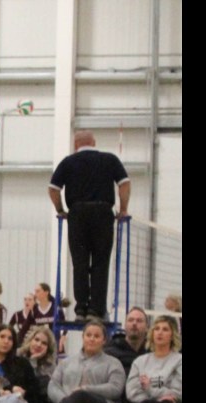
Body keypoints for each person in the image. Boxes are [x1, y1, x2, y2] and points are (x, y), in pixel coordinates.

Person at [48, 130, 130, 320]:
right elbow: (124, 184)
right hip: (102, 213)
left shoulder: (68, 162)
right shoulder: (109, 159)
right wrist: (123, 209)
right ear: (94, 142)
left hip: (78, 214)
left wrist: (61, 210)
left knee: (80, 262)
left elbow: (53, 189)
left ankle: (81, 308)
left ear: (76, 145)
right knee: (101, 261)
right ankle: (97, 308)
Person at [104, 307, 149, 375]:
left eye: (139, 320)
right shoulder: (109, 354)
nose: (134, 323)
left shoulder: (153, 354)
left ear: (147, 327)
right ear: (125, 325)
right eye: (130, 320)